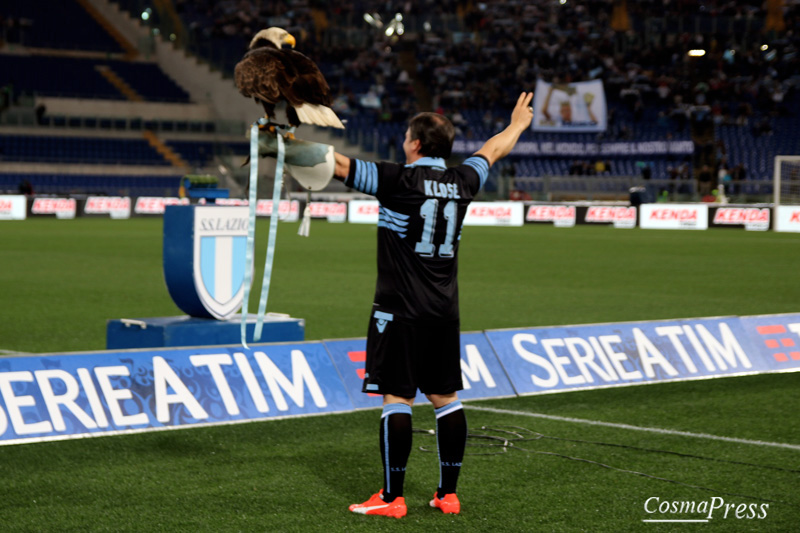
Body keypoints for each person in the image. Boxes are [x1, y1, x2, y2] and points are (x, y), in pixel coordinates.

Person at [334, 92, 534, 519]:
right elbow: (493, 149)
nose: (404, 142)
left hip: (399, 312)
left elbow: (335, 164)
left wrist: (282, 138)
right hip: (445, 311)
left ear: (416, 145)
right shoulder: (463, 180)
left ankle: (391, 498)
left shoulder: (396, 180)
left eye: (407, 137)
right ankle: (448, 494)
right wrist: (517, 123)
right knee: (446, 397)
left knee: (397, 397)